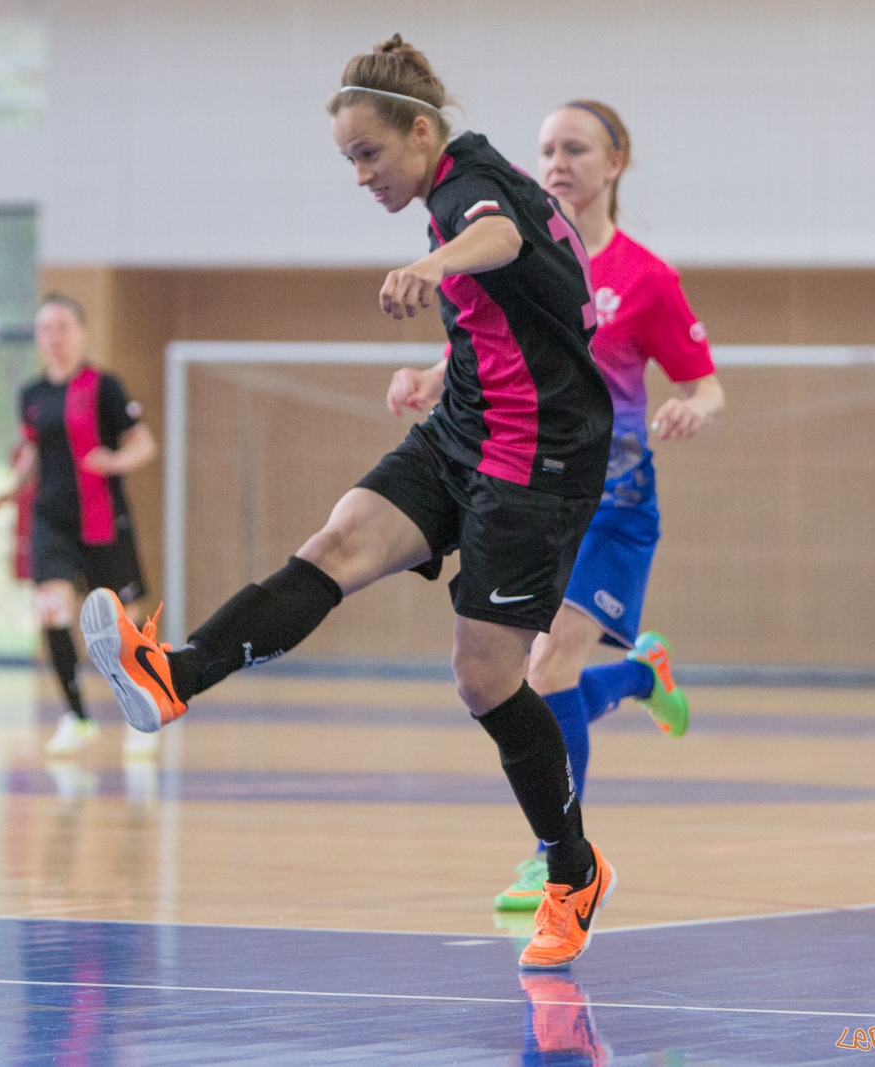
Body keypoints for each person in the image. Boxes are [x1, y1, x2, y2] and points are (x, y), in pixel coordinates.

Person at [82, 36, 616, 970]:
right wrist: (436, 364)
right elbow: (518, 313)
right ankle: (173, 676)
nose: (361, 175)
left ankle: (573, 870)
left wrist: (435, 265)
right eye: (348, 160)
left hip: (538, 463)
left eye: (369, 154)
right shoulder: (466, 182)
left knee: (485, 677)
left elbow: (500, 242)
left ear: (420, 131)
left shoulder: (467, 191)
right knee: (335, 543)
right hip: (465, 426)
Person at [398, 102, 725, 911]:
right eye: (544, 149)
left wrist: (695, 408)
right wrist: (429, 379)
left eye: (574, 149)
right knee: (540, 673)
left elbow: (706, 382)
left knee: (544, 668)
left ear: (614, 163)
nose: (555, 163)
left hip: (614, 501)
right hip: (537, 497)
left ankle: (556, 854)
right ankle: (643, 674)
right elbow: (472, 349)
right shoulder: (509, 253)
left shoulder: (647, 278)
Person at [0, 294, 161, 758]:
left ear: (80, 333)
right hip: (52, 520)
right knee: (51, 607)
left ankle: (142, 713)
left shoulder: (104, 386)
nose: (54, 337)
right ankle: (76, 717)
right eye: (46, 329)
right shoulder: (31, 396)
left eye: (63, 327)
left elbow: (143, 443)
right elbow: (33, 449)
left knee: (122, 626)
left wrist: (113, 461)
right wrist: (14, 488)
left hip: (103, 521)